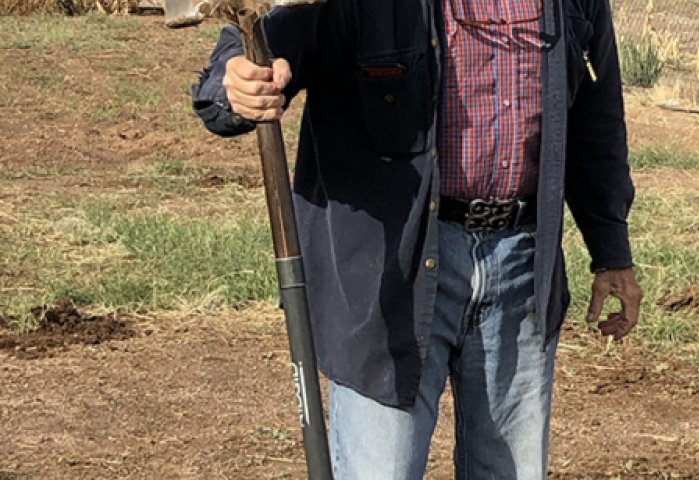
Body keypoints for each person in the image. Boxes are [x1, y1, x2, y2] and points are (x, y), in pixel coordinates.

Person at [190, 0, 642, 477]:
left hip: (522, 269)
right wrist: (236, 86)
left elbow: (597, 117)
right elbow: (254, 46)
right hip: (390, 278)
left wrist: (611, 252)